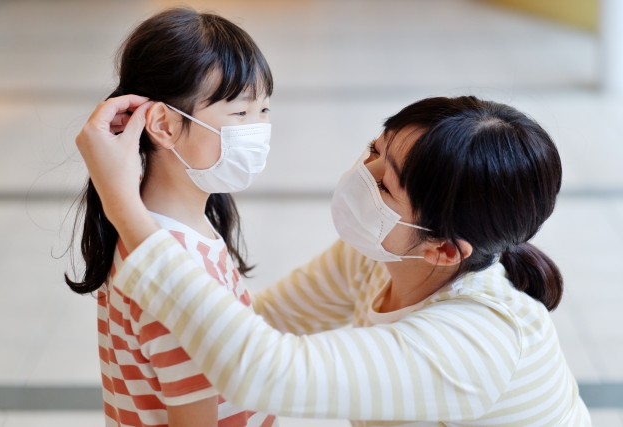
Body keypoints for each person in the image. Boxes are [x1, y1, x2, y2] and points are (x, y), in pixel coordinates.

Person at [76, 94, 592, 426]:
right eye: (374, 149)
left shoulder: (473, 344)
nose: (362, 175)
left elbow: (263, 370)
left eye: (385, 186)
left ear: (442, 249)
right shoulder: (377, 259)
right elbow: (261, 321)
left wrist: (125, 209)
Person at [65, 8, 276, 427]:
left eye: (264, 110)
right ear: (163, 124)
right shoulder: (174, 267)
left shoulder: (154, 232)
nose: (258, 130)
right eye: (240, 114)